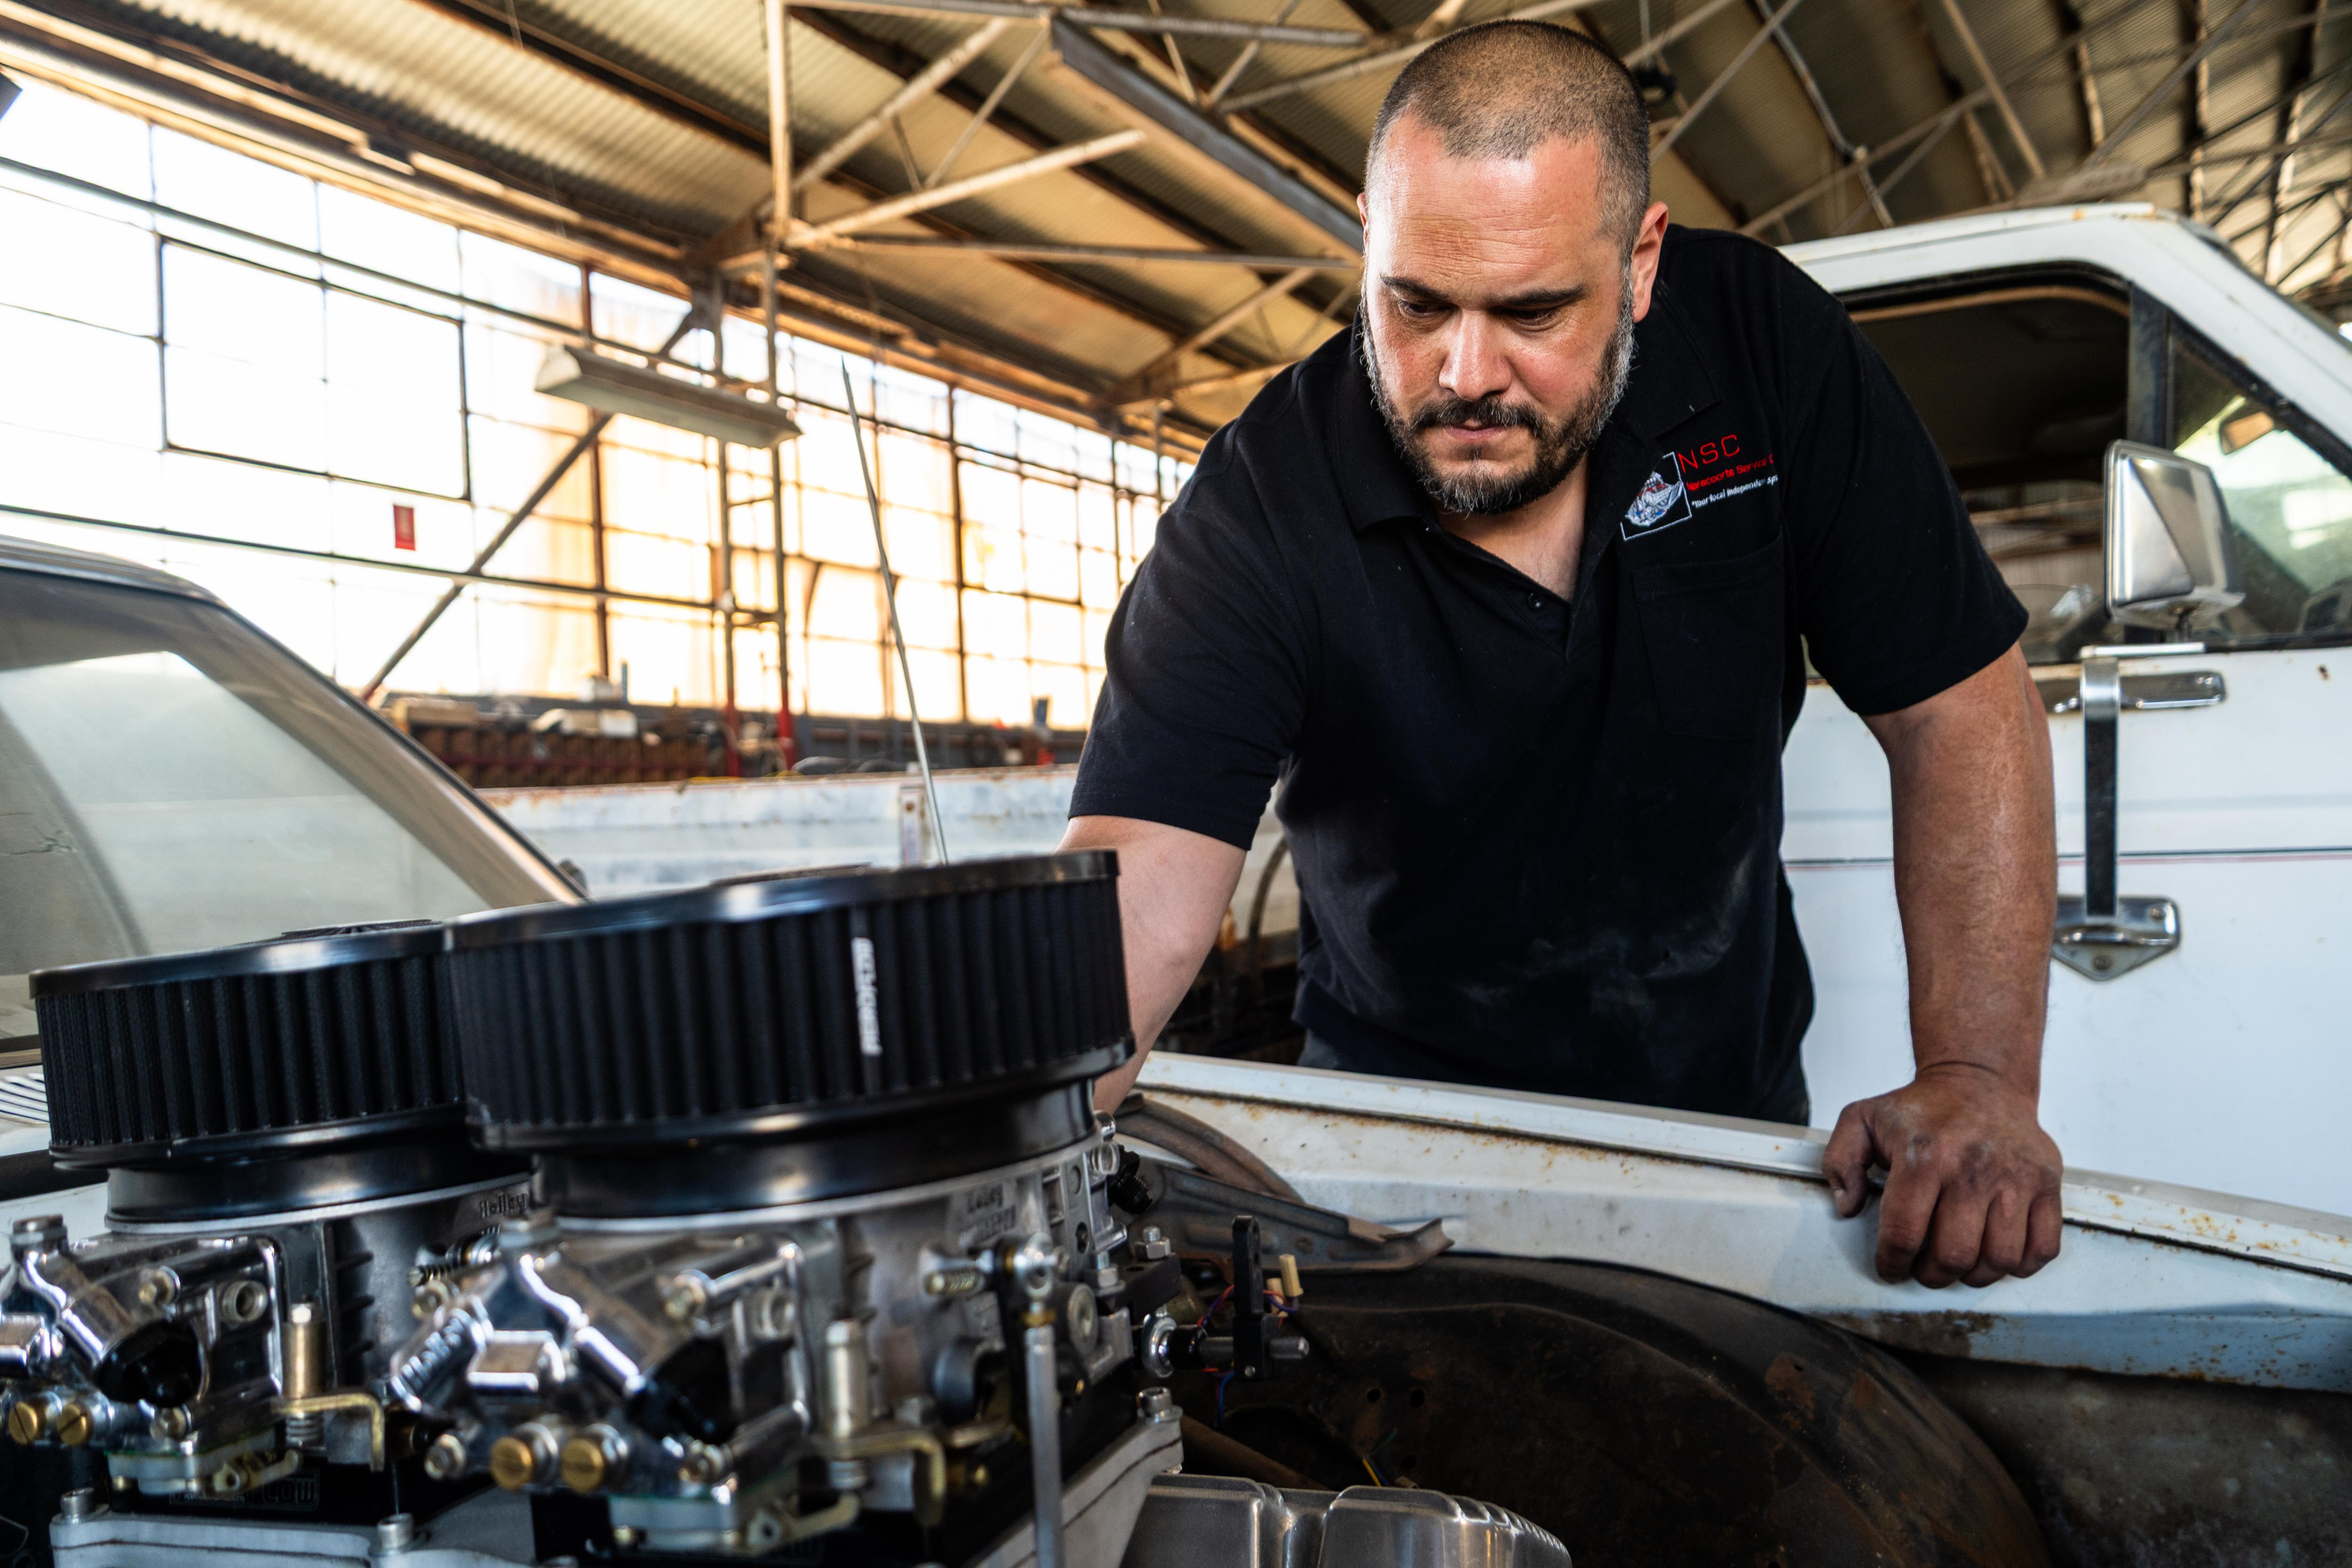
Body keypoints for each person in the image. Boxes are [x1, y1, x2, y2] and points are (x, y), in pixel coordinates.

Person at [1062, 21, 2062, 1289]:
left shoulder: (1764, 357)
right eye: (1416, 304)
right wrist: (989, 1149)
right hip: (1395, 1138)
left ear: (1641, 263)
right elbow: (1137, 874)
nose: (1465, 375)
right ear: (1368, 232)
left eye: (1534, 310)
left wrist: (1978, 1080)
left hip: (1727, 1129)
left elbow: (1961, 710)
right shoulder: (1265, 500)